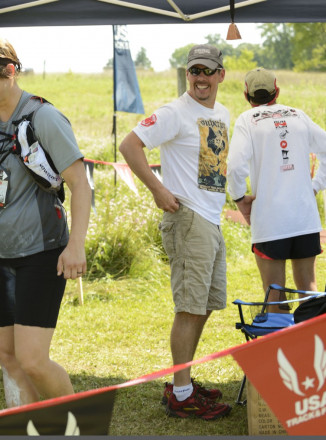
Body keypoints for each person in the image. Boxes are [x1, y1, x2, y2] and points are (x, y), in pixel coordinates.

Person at [0, 35, 92, 408]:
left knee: (33, 360)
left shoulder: (45, 118)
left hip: (41, 254)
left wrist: (76, 245)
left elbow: (80, 185)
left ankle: (79, 428)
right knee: (8, 358)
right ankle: (36, 428)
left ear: (9, 72)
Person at [119, 44, 232, 421]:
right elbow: (129, 144)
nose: (200, 78)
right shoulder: (174, 112)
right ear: (188, 74)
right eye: (194, 70)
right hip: (188, 219)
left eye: (207, 71)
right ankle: (181, 393)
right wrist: (157, 188)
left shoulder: (223, 113)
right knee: (188, 307)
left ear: (221, 75)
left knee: (204, 305)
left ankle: (182, 381)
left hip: (211, 220)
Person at [227, 67, 326, 308]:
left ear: (246, 95)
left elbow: (234, 166)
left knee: (274, 295)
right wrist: (315, 186)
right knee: (309, 290)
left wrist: (239, 198)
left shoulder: (247, 120)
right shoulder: (298, 115)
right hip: (305, 218)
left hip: (270, 221)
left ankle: (281, 346)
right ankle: (314, 346)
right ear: (277, 91)